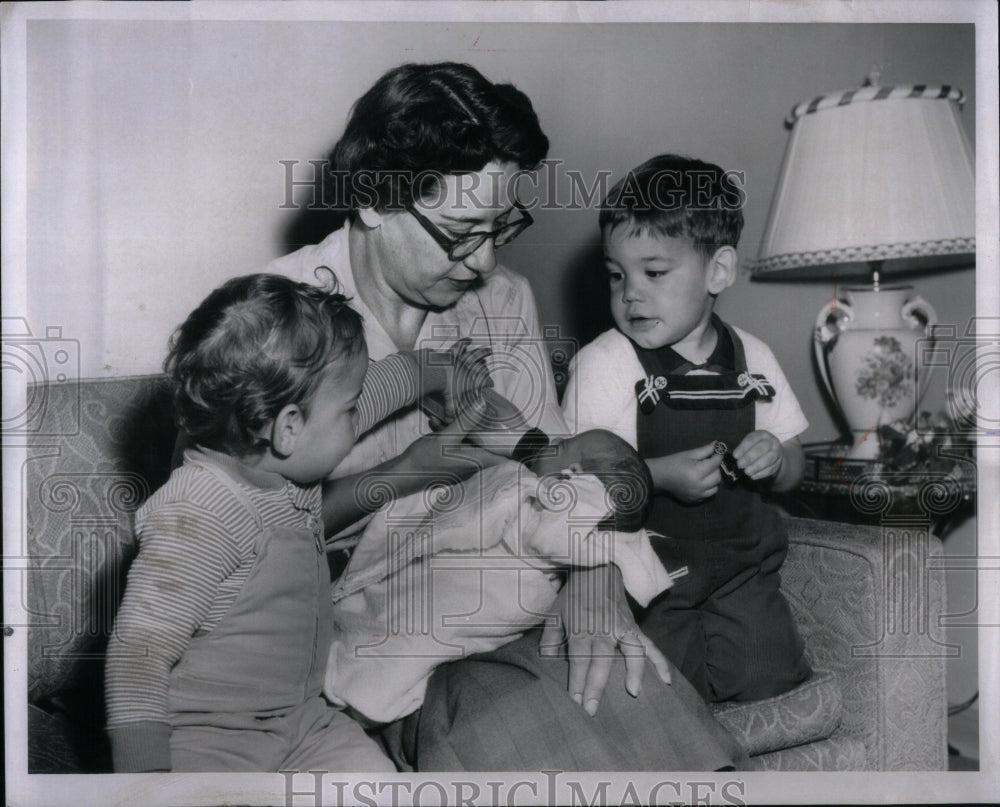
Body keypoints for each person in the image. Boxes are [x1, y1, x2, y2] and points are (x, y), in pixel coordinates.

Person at [265, 63, 743, 770]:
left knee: (630, 676)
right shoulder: (271, 320)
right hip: (350, 620)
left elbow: (559, 462)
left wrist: (593, 573)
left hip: (509, 569)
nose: (485, 260)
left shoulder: (501, 299)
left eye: (501, 226)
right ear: (372, 200)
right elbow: (241, 545)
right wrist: (403, 475)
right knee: (514, 719)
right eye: (460, 231)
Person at [104, 273, 488, 772]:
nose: (358, 415)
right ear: (288, 427)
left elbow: (376, 390)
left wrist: (439, 368)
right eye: (347, 412)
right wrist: (146, 784)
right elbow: (138, 653)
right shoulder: (199, 510)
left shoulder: (284, 455)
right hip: (207, 740)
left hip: (302, 720)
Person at [563, 153, 813, 703]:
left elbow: (797, 467)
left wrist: (776, 455)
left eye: (653, 273)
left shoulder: (755, 358)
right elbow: (572, 488)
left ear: (718, 271)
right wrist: (654, 476)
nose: (630, 293)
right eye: (616, 275)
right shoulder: (605, 364)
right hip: (647, 578)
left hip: (743, 569)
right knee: (663, 699)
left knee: (770, 678)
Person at [326, 427, 671, 726]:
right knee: (405, 617)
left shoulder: (556, 503)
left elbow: (577, 536)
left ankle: (359, 690)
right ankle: (357, 682)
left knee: (417, 636)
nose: (558, 438)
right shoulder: (533, 487)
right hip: (460, 579)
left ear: (573, 475)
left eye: (565, 444)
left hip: (496, 594)